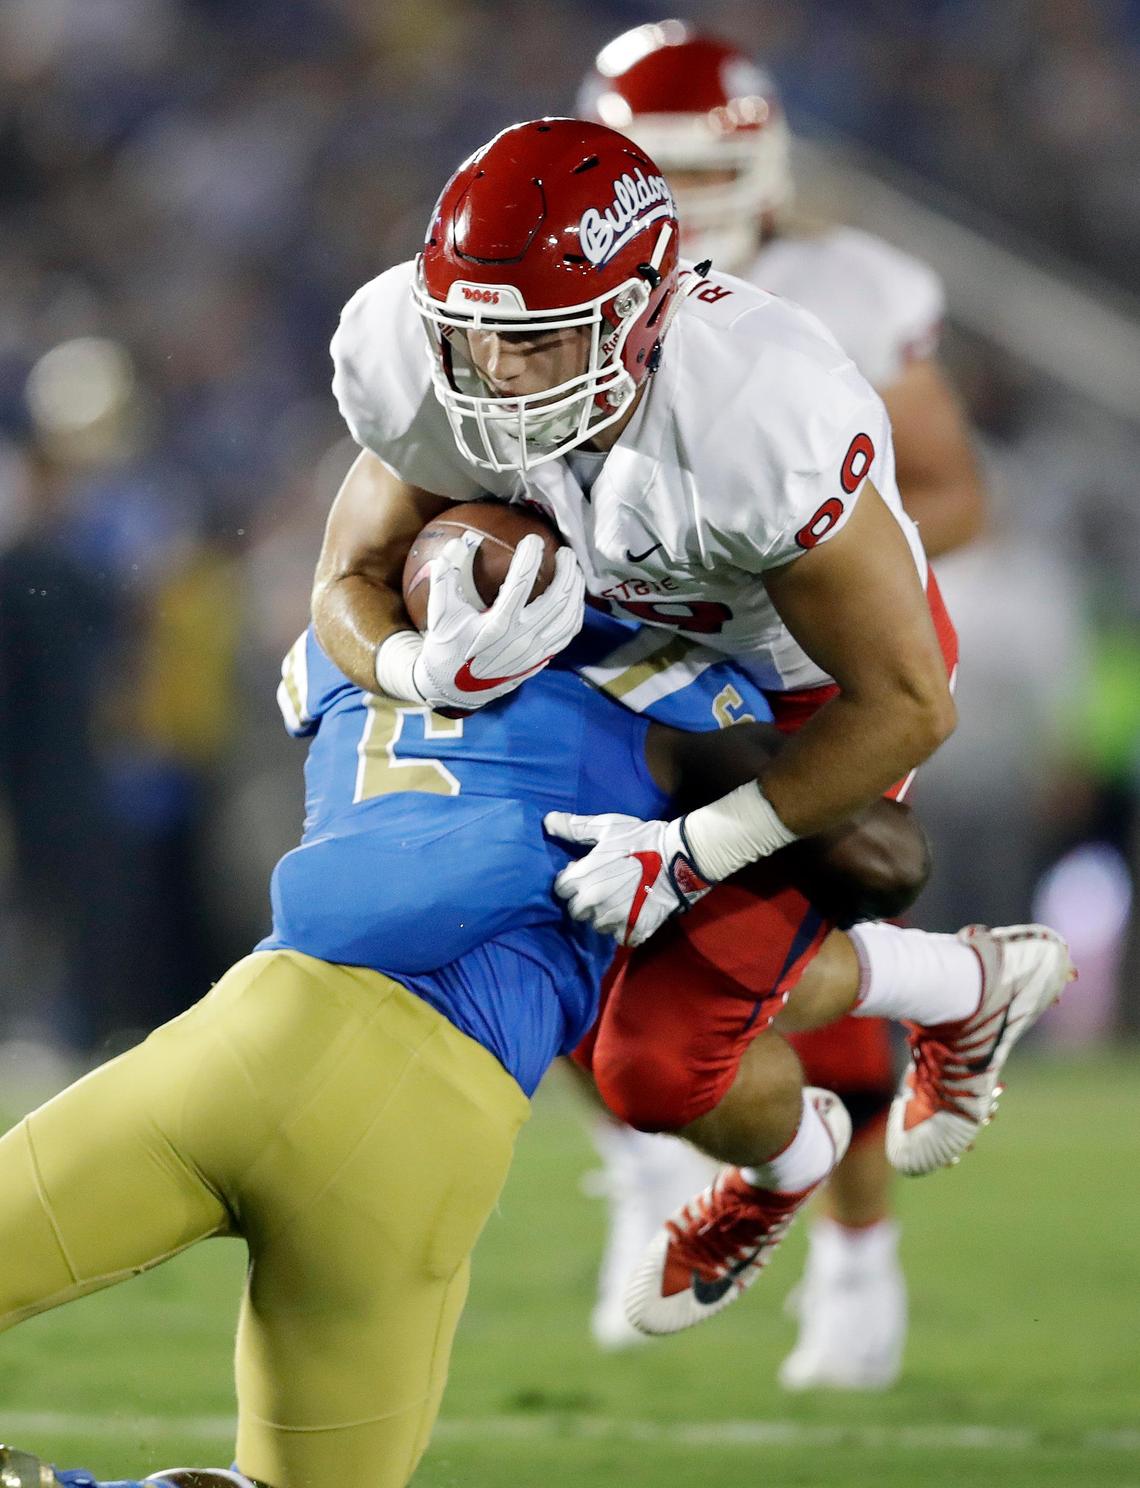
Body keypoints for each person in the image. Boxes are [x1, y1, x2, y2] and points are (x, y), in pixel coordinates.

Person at [315, 115, 1072, 1338]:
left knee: (657, 1069)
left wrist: (693, 853)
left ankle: (940, 995)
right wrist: (415, 662)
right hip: (615, 638)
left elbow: (912, 700)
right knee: (490, 898)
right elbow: (341, 583)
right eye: (475, 340)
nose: (498, 379)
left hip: (793, 681)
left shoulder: (758, 411)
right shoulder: (416, 352)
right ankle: (862, 1084)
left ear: (640, 317)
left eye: (540, 343)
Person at [0, 604, 925, 1488]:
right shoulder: (647, 678)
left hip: (239, 1040)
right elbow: (880, 860)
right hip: (427, 1113)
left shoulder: (335, 653)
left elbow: (356, 599)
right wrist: (711, 840)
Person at [573, 19, 988, 1379]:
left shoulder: (846, 292)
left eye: (703, 169)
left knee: (770, 959)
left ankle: (860, 1257)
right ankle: (654, 1163)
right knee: (565, 924)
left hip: (809, 679)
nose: (685, 202)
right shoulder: (565, 306)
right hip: (642, 673)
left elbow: (952, 494)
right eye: (656, 170)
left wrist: (791, 548)